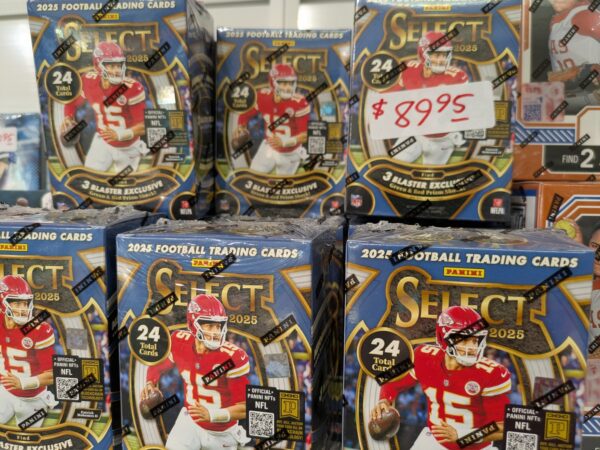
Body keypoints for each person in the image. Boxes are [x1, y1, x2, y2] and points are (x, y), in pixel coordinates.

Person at [371, 306, 510, 449]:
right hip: (434, 442)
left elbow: (502, 426)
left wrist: (464, 436)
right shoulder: (423, 356)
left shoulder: (492, 373)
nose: (472, 347)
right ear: (444, 338)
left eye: (475, 340)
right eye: (465, 340)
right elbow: (392, 380)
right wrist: (384, 399)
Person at [142, 294, 250, 449]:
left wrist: (212, 415)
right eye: (209, 326)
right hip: (190, 421)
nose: (216, 332)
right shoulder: (179, 342)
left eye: (218, 326)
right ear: (193, 324)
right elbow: (157, 364)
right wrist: (150, 382)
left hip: (222, 432)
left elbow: (245, 407)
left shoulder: (232, 357)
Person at [61, 41, 147, 172]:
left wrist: (120, 135)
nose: (117, 71)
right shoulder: (88, 81)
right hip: (103, 141)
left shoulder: (133, 88)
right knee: (90, 178)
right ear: (98, 66)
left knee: (125, 183)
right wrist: (68, 117)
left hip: (129, 146)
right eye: (111, 66)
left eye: (118, 65)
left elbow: (143, 126)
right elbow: (71, 101)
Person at [385, 31, 468, 165]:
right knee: (393, 166)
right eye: (436, 55)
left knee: (432, 175)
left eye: (444, 55)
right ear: (422, 54)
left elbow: (464, 108)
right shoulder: (408, 69)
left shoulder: (457, 77)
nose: (441, 60)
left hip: (442, 138)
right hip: (414, 131)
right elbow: (387, 93)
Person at [0, 275, 57, 428]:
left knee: (27, 438)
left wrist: (23, 383)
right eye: (17, 303)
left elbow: (52, 374)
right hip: (5, 391)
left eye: (25, 303)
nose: (23, 309)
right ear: (3, 303)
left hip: (34, 398)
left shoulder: (40, 329)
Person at [233, 63, 310, 175]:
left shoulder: (299, 102)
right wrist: (241, 126)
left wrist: (285, 142)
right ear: (273, 83)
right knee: (254, 177)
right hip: (268, 147)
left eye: (291, 83)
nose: (288, 87)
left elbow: (305, 135)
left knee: (284, 184)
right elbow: (245, 114)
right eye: (284, 83)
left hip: (291, 152)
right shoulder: (263, 97)